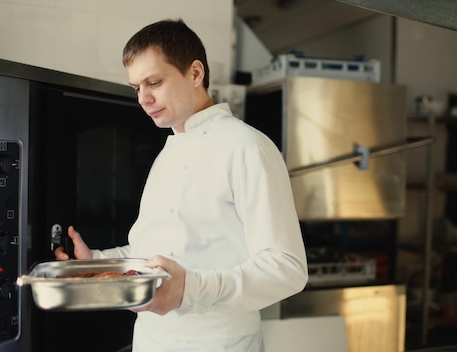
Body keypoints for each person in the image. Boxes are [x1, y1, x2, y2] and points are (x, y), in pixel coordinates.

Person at [54, 19, 308, 351]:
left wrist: (191, 287)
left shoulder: (248, 147)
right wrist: (99, 264)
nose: (143, 99)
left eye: (154, 82)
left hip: (218, 344)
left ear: (195, 73)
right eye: (136, 88)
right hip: (150, 340)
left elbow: (286, 268)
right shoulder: (168, 152)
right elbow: (154, 251)